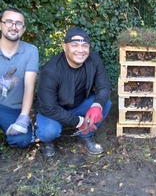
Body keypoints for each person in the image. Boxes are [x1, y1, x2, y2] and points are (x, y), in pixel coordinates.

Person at [36, 26, 112, 157]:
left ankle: (85, 135)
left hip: (78, 105)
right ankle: (46, 141)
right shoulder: (50, 70)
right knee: (48, 131)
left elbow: (104, 86)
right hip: (53, 110)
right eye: (74, 45)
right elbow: (49, 107)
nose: (80, 50)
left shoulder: (94, 59)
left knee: (105, 103)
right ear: (64, 47)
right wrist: (79, 122)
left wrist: (96, 105)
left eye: (85, 46)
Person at [0, 7, 39, 148]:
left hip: (12, 108)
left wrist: (23, 116)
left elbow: (30, 86)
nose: (13, 27)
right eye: (9, 22)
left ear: (23, 29)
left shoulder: (31, 51)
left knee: (22, 140)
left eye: (18, 24)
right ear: (1, 25)